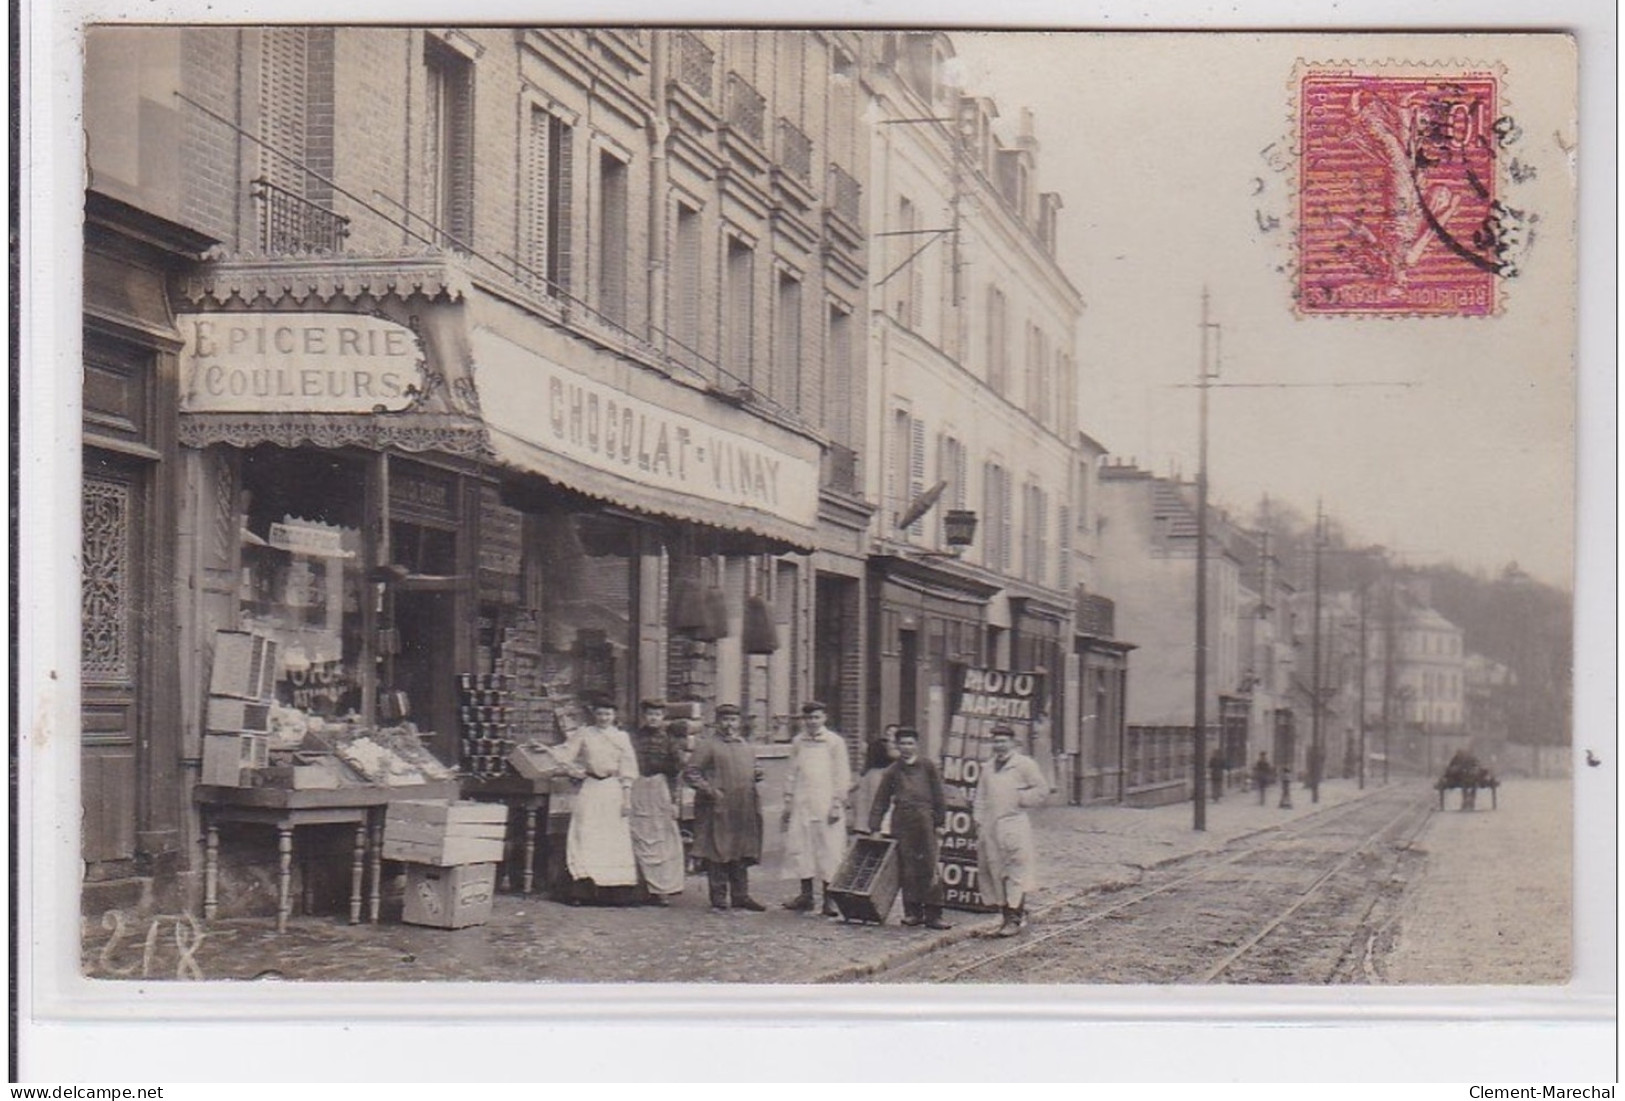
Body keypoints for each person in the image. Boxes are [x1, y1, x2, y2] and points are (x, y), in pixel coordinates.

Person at [553, 697, 639, 905]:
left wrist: (626, 799)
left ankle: (615, 893)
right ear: (594, 715)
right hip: (591, 788)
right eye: (600, 714)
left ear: (614, 715)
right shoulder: (585, 734)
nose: (603, 718)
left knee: (612, 838)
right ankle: (582, 890)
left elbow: (628, 768)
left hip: (612, 789)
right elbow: (566, 753)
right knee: (585, 833)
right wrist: (571, 768)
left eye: (608, 714)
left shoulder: (621, 737)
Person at [681, 703, 766, 912]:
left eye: (733, 720)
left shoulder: (745, 745)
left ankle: (741, 895)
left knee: (741, 851)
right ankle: (718, 897)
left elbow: (752, 767)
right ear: (717, 722)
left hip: (743, 807)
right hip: (718, 808)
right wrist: (709, 791)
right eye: (725, 720)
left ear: (739, 722)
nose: (730, 725)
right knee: (718, 851)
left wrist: (756, 772)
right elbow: (691, 772)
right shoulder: (707, 745)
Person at [867, 727, 950, 930]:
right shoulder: (892, 771)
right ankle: (913, 912)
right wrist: (875, 827)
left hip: (925, 821)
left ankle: (934, 913)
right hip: (902, 823)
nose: (906, 748)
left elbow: (939, 796)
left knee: (930, 866)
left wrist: (939, 822)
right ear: (897, 746)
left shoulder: (928, 767)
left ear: (917, 745)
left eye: (910, 743)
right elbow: (881, 800)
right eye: (902, 743)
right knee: (908, 868)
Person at [973, 725, 1048, 937]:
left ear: (1013, 743)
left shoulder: (1024, 764)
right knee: (996, 871)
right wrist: (978, 820)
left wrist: (1021, 800)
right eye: (996, 741)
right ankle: (1008, 915)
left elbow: (1041, 790)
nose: (999, 745)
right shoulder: (988, 767)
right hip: (990, 826)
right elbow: (981, 795)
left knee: (1016, 870)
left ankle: (1014, 918)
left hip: (1014, 823)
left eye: (1003, 741)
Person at [780, 700, 851, 916]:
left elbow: (842, 773)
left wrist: (837, 803)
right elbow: (792, 773)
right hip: (803, 803)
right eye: (808, 718)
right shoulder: (798, 742)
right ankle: (806, 895)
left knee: (829, 849)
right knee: (802, 847)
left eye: (816, 717)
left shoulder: (834, 742)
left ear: (824, 718)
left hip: (826, 804)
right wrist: (788, 801)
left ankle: (829, 899)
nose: (812, 722)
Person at [627, 699, 686, 905]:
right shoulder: (633, 738)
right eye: (650, 714)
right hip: (638, 787)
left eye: (658, 715)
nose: (653, 718)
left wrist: (674, 801)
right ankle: (641, 886)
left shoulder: (670, 741)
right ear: (644, 716)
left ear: (663, 717)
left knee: (662, 837)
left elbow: (676, 773)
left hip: (660, 788)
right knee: (638, 833)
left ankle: (662, 889)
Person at [850, 725, 900, 837]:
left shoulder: (897, 752)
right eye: (888, 734)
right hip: (876, 780)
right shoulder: (878, 747)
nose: (890, 738)